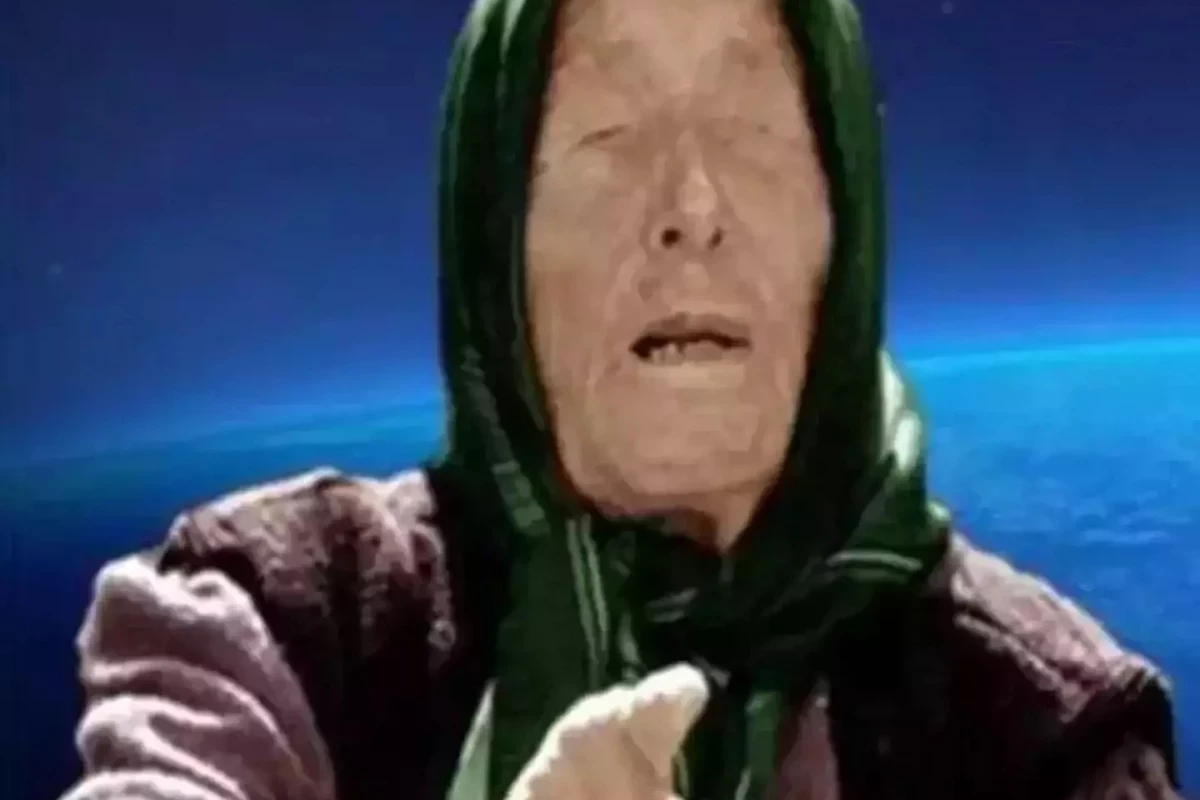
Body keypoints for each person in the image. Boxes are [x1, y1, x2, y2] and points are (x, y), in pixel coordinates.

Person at [60, 0, 1184, 798]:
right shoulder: (283, 617)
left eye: (752, 132)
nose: (692, 207)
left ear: (843, 237)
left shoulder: (1043, 718)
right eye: (606, 134)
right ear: (494, 247)